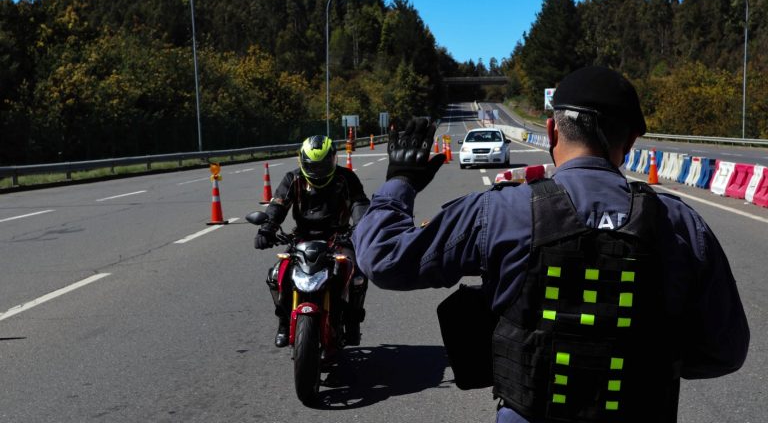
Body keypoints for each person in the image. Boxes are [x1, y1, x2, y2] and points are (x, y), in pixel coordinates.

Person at [352, 66, 749, 422]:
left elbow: (383, 258)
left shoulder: (501, 210)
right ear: (630, 142)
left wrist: (400, 183)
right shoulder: (680, 223)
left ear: (552, 131)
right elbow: (725, 350)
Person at [256, 135, 370, 348]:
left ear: (333, 160)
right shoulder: (293, 178)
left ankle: (352, 322)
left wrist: (362, 228)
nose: (317, 171)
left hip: (339, 236)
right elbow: (278, 204)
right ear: (302, 161)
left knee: (357, 276)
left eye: (323, 165)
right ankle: (283, 322)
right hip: (302, 237)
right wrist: (267, 229)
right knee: (276, 275)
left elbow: (359, 203)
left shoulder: (346, 178)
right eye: (312, 166)